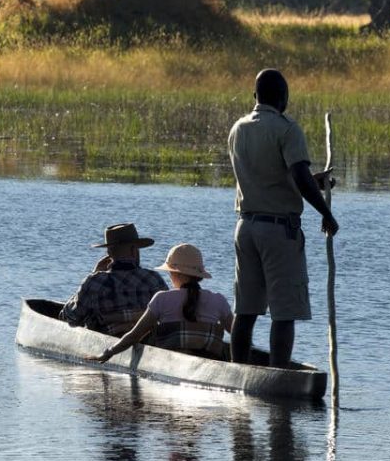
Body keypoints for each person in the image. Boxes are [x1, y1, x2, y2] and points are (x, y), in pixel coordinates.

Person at [228, 69, 338, 368]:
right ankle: (278, 378)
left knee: (245, 310)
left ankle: (238, 372)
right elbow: (298, 176)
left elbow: (274, 176)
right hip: (278, 231)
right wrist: (326, 212)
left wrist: (315, 182)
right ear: (283, 98)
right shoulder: (287, 129)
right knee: (284, 312)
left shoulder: (238, 128)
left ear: (255, 96)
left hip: (246, 227)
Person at [87, 243, 234, 363]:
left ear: (175, 273)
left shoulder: (162, 299)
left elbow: (134, 336)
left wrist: (107, 353)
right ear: (199, 275)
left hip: (171, 363)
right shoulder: (219, 300)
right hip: (210, 362)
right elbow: (237, 334)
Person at [59, 223, 167, 336]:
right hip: (146, 340)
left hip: (105, 342)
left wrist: (94, 273)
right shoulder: (153, 279)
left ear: (109, 253)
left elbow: (69, 318)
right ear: (134, 250)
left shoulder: (95, 282)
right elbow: (167, 315)